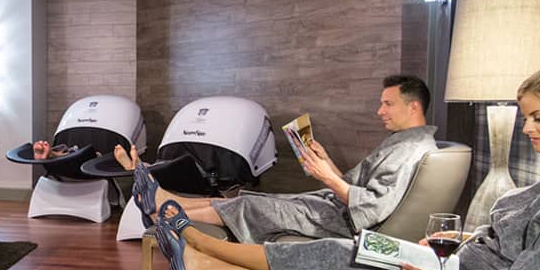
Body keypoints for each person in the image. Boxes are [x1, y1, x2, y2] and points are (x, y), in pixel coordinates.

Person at [145, 62, 540, 270]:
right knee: (324, 245)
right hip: (453, 263)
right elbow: (525, 243)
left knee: (336, 251)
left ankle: (197, 244)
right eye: (527, 117)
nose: (528, 128)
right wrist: (461, 240)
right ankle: (203, 260)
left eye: (539, 117)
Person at [122, 75, 437, 241]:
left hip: (342, 223)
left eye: (387, 104)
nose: (380, 111)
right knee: (247, 198)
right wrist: (327, 162)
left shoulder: (409, 151)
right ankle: (165, 201)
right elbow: (358, 189)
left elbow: (373, 208)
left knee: (247, 206)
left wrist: (327, 177)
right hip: (335, 208)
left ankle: (166, 214)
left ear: (413, 107)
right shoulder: (403, 143)